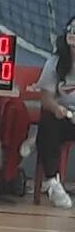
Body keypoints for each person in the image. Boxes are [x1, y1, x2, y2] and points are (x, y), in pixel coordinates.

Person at [35, 15, 75, 209]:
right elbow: (45, 98)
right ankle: (53, 182)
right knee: (47, 123)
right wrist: (57, 108)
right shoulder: (55, 62)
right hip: (61, 116)